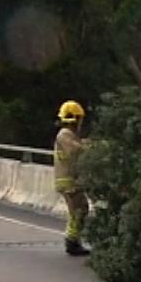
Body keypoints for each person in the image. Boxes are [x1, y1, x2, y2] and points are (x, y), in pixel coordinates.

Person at [54, 100, 90, 256]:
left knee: (80, 210)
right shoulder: (65, 134)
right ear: (75, 119)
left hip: (70, 181)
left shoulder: (68, 135)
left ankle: (73, 240)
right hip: (69, 182)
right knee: (79, 210)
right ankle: (72, 242)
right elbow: (76, 150)